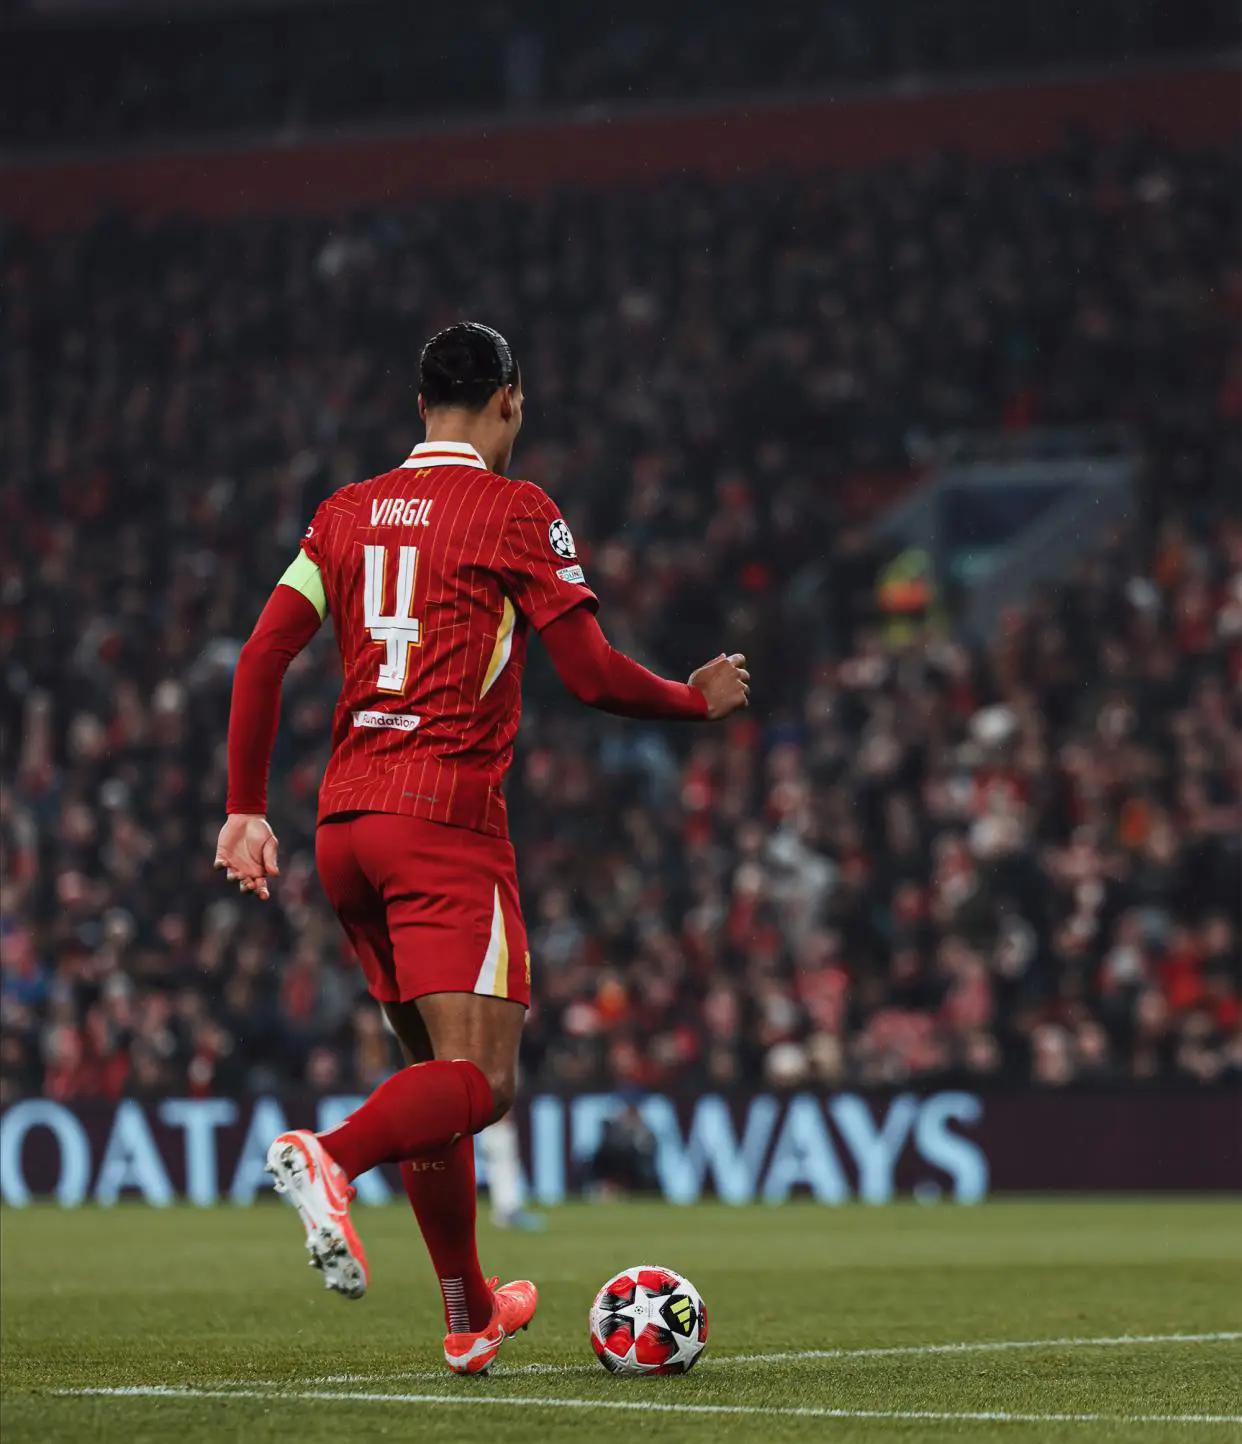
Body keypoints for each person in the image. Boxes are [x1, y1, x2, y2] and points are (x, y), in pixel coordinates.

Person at [212, 322, 750, 1375]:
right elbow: (590, 674)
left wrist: (243, 807)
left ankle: (470, 1313)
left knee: (433, 1079)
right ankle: (331, 1157)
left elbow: (264, 653)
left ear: (421, 406)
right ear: (510, 400)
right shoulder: (515, 510)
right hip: (444, 823)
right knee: (483, 1082)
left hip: (344, 828)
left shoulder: (345, 512)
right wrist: (695, 700)